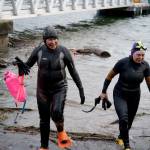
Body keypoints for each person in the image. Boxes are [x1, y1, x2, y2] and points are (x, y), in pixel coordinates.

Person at [14, 26, 85, 150]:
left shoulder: (64, 52)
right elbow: (26, 67)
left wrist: (81, 89)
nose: (53, 42)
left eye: (55, 39)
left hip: (60, 88)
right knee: (44, 119)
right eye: (49, 39)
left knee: (57, 112)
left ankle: (61, 131)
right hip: (42, 90)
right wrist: (20, 66)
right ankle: (44, 146)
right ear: (44, 40)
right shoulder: (38, 51)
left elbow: (73, 72)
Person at [99, 41, 150, 150]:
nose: (140, 57)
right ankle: (127, 146)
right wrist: (104, 91)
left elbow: (149, 83)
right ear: (132, 53)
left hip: (135, 96)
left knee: (129, 122)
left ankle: (121, 137)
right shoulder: (122, 63)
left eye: (142, 55)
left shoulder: (145, 66)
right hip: (120, 94)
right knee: (123, 119)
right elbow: (109, 77)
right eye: (138, 54)